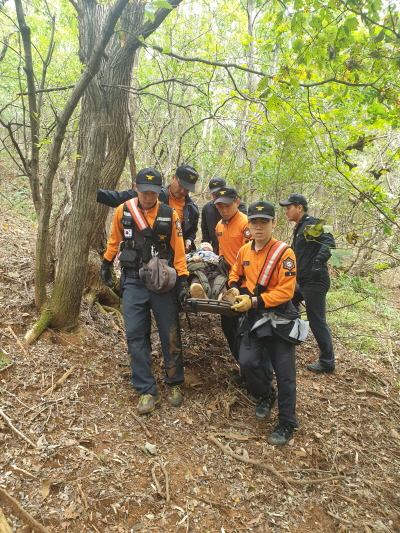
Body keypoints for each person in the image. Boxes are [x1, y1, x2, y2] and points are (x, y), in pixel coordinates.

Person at [100, 168, 190, 414]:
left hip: (163, 283)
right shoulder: (123, 210)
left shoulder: (170, 215)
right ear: (136, 188)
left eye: (153, 192)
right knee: (135, 335)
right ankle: (146, 390)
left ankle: (174, 382)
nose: (148, 197)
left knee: (170, 334)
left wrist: (182, 282)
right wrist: (106, 263)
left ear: (159, 191)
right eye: (144, 191)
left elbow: (179, 252)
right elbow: (114, 240)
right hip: (133, 281)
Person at [229, 201, 298, 446]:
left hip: (279, 317)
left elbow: (286, 291)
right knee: (247, 361)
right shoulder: (244, 251)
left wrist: (254, 301)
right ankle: (266, 394)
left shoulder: (284, 253)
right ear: (248, 224)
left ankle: (287, 421)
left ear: (273, 223)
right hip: (255, 318)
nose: (258, 227)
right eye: (254, 222)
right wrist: (234, 288)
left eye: (264, 222)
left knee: (285, 373)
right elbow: (235, 273)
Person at [279, 193, 336, 373]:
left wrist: (318, 262)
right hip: (301, 280)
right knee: (286, 301)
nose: (286, 211)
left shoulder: (312, 224)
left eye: (289, 207)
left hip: (315, 280)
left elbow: (329, 243)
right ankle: (292, 337)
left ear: (299, 207)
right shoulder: (299, 227)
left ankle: (327, 362)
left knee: (317, 320)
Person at [97, 164, 200, 252]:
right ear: (173, 178)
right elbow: (118, 198)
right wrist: (94, 193)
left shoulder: (192, 209)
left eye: (187, 189)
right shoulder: (153, 193)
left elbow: (192, 231)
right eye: (181, 185)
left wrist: (188, 240)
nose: (182, 191)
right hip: (148, 250)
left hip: (174, 253)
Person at [214, 186, 252, 360]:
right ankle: (240, 363)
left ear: (237, 202)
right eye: (220, 206)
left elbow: (251, 253)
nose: (224, 210)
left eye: (227, 206)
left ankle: (249, 366)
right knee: (228, 325)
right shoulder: (219, 226)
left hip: (245, 282)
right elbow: (222, 250)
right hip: (228, 282)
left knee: (243, 327)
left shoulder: (245, 224)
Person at [201, 177, 247, 254]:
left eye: (228, 206)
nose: (224, 210)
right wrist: (206, 242)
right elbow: (204, 228)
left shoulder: (239, 209)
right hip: (216, 247)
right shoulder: (207, 208)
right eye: (214, 193)